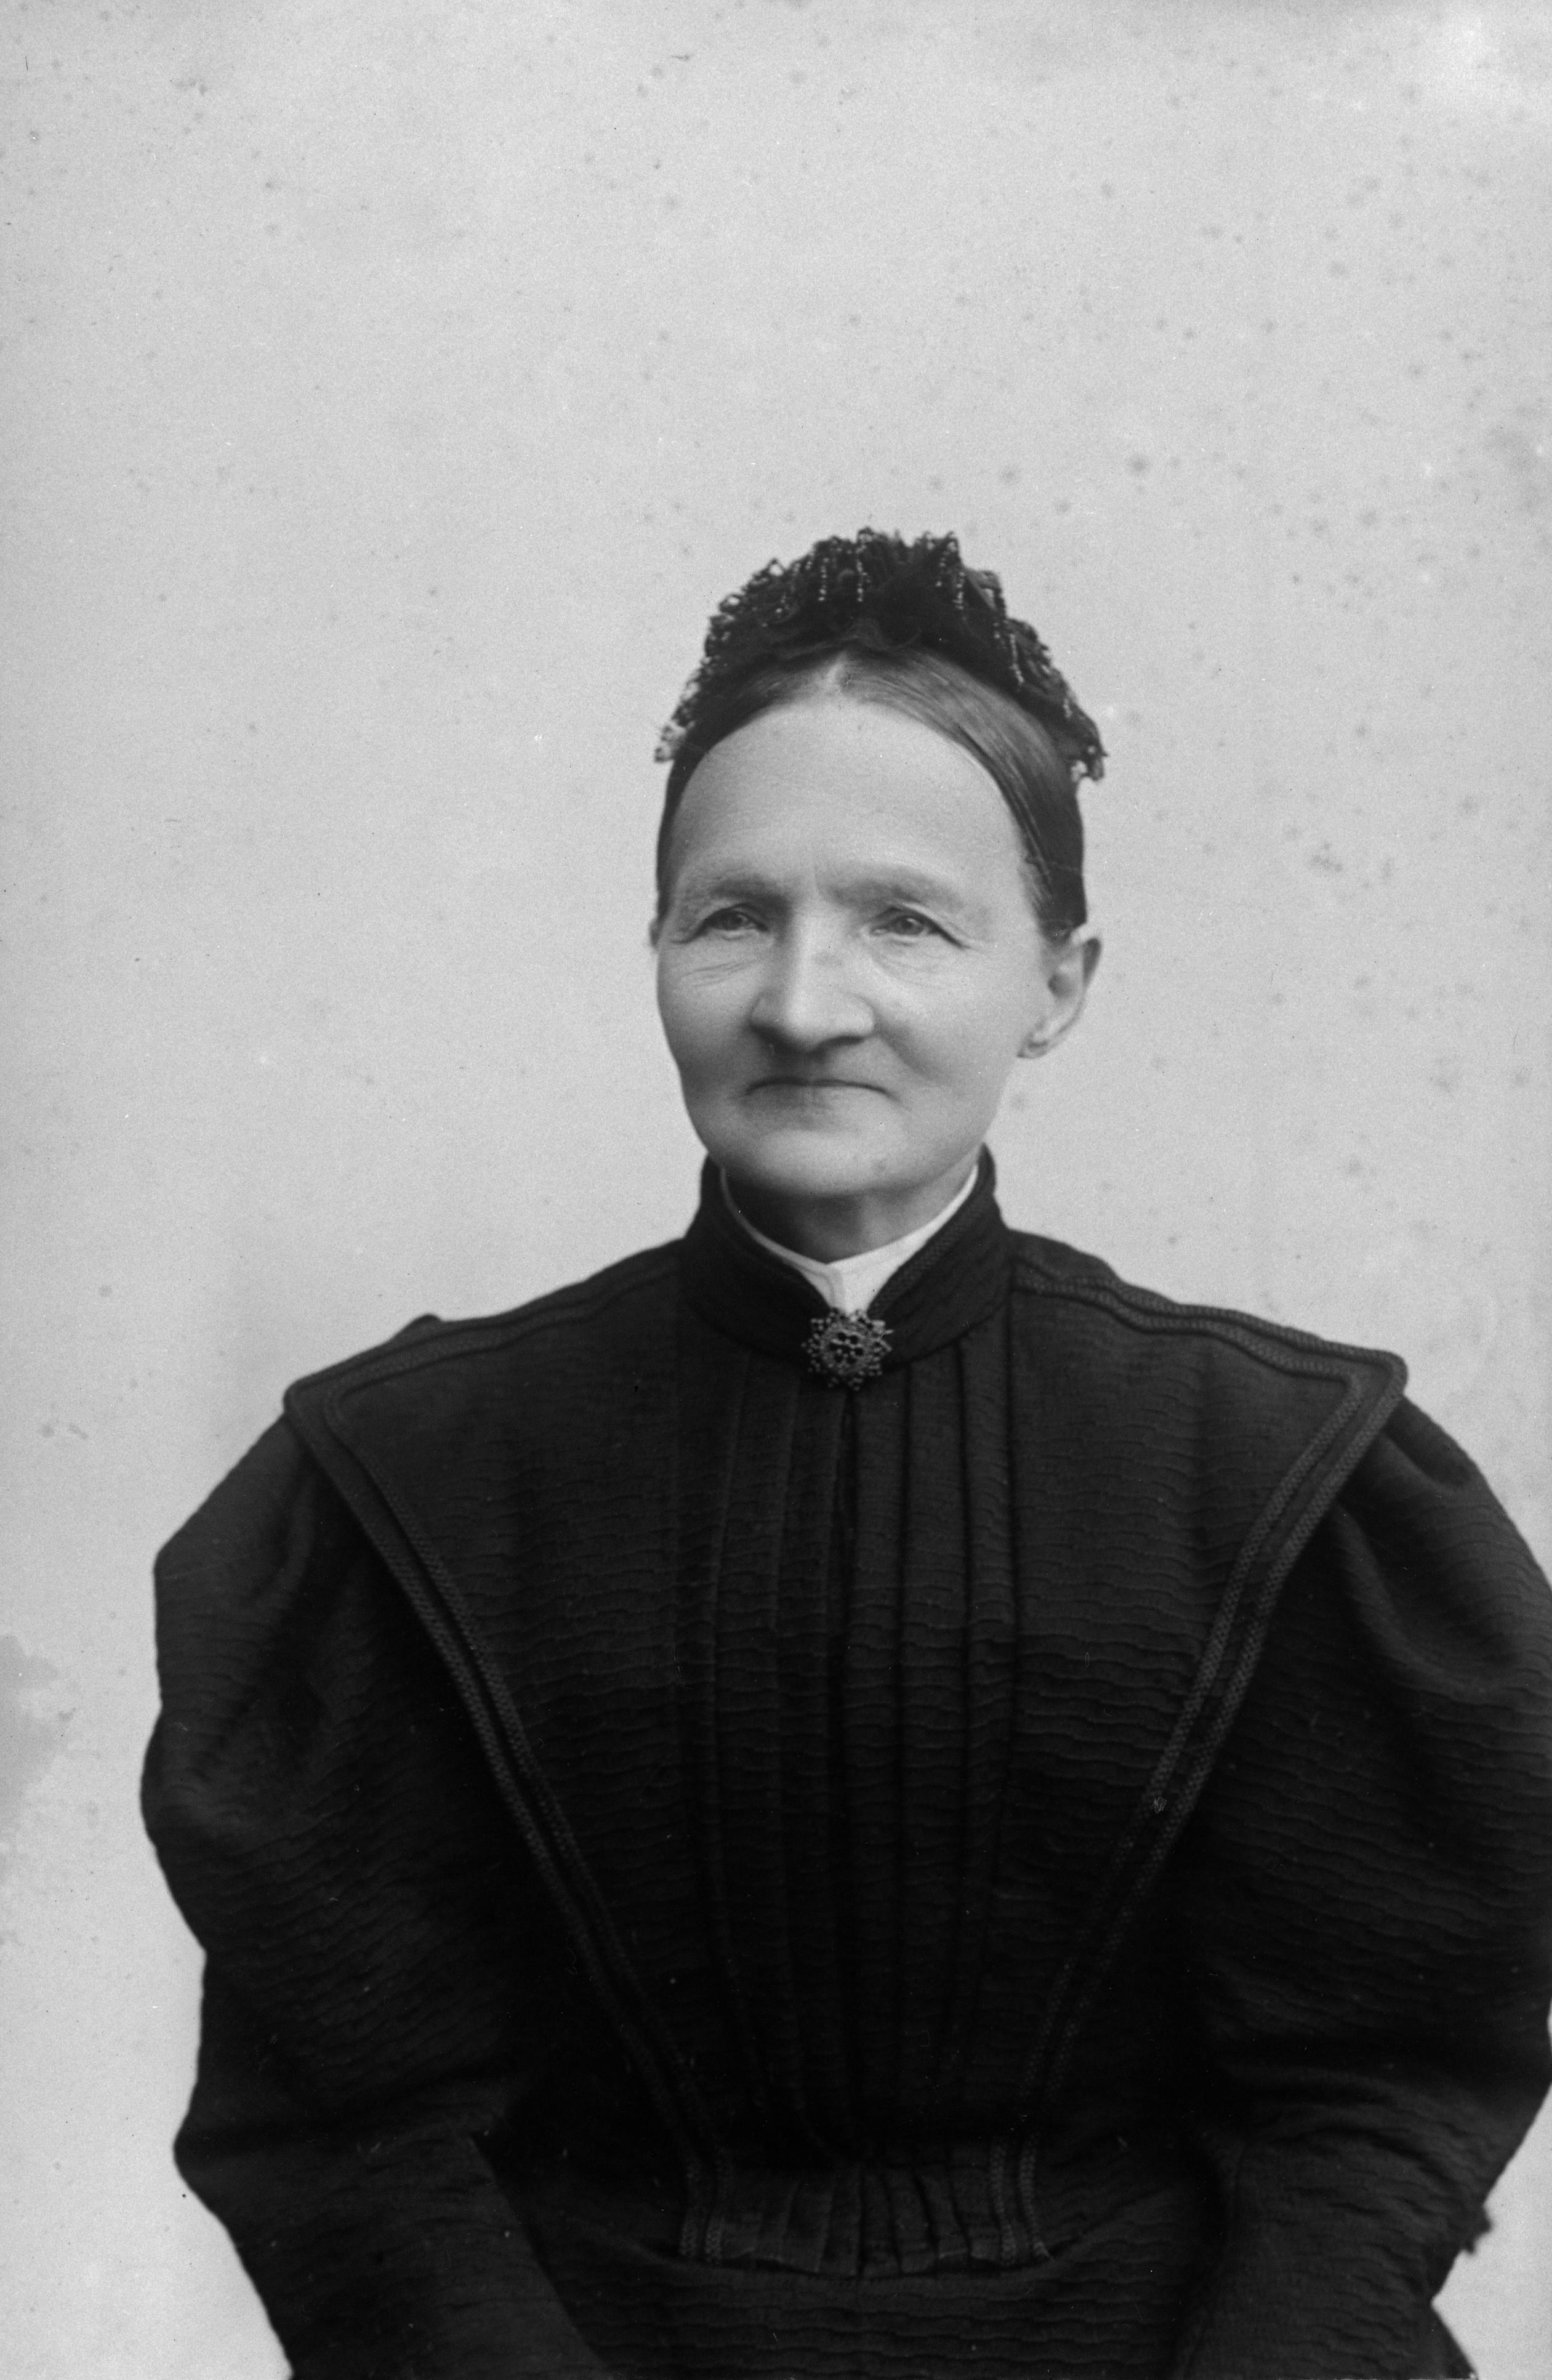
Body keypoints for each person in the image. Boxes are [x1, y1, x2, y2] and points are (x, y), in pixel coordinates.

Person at [144, 530, 1552, 2380]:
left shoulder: (1283, 1467)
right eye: (733, 917)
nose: (805, 1004)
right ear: (656, 950)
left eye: (906, 921)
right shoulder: (406, 1472)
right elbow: (353, 2134)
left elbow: (1372, 2098)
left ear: (1059, 980)